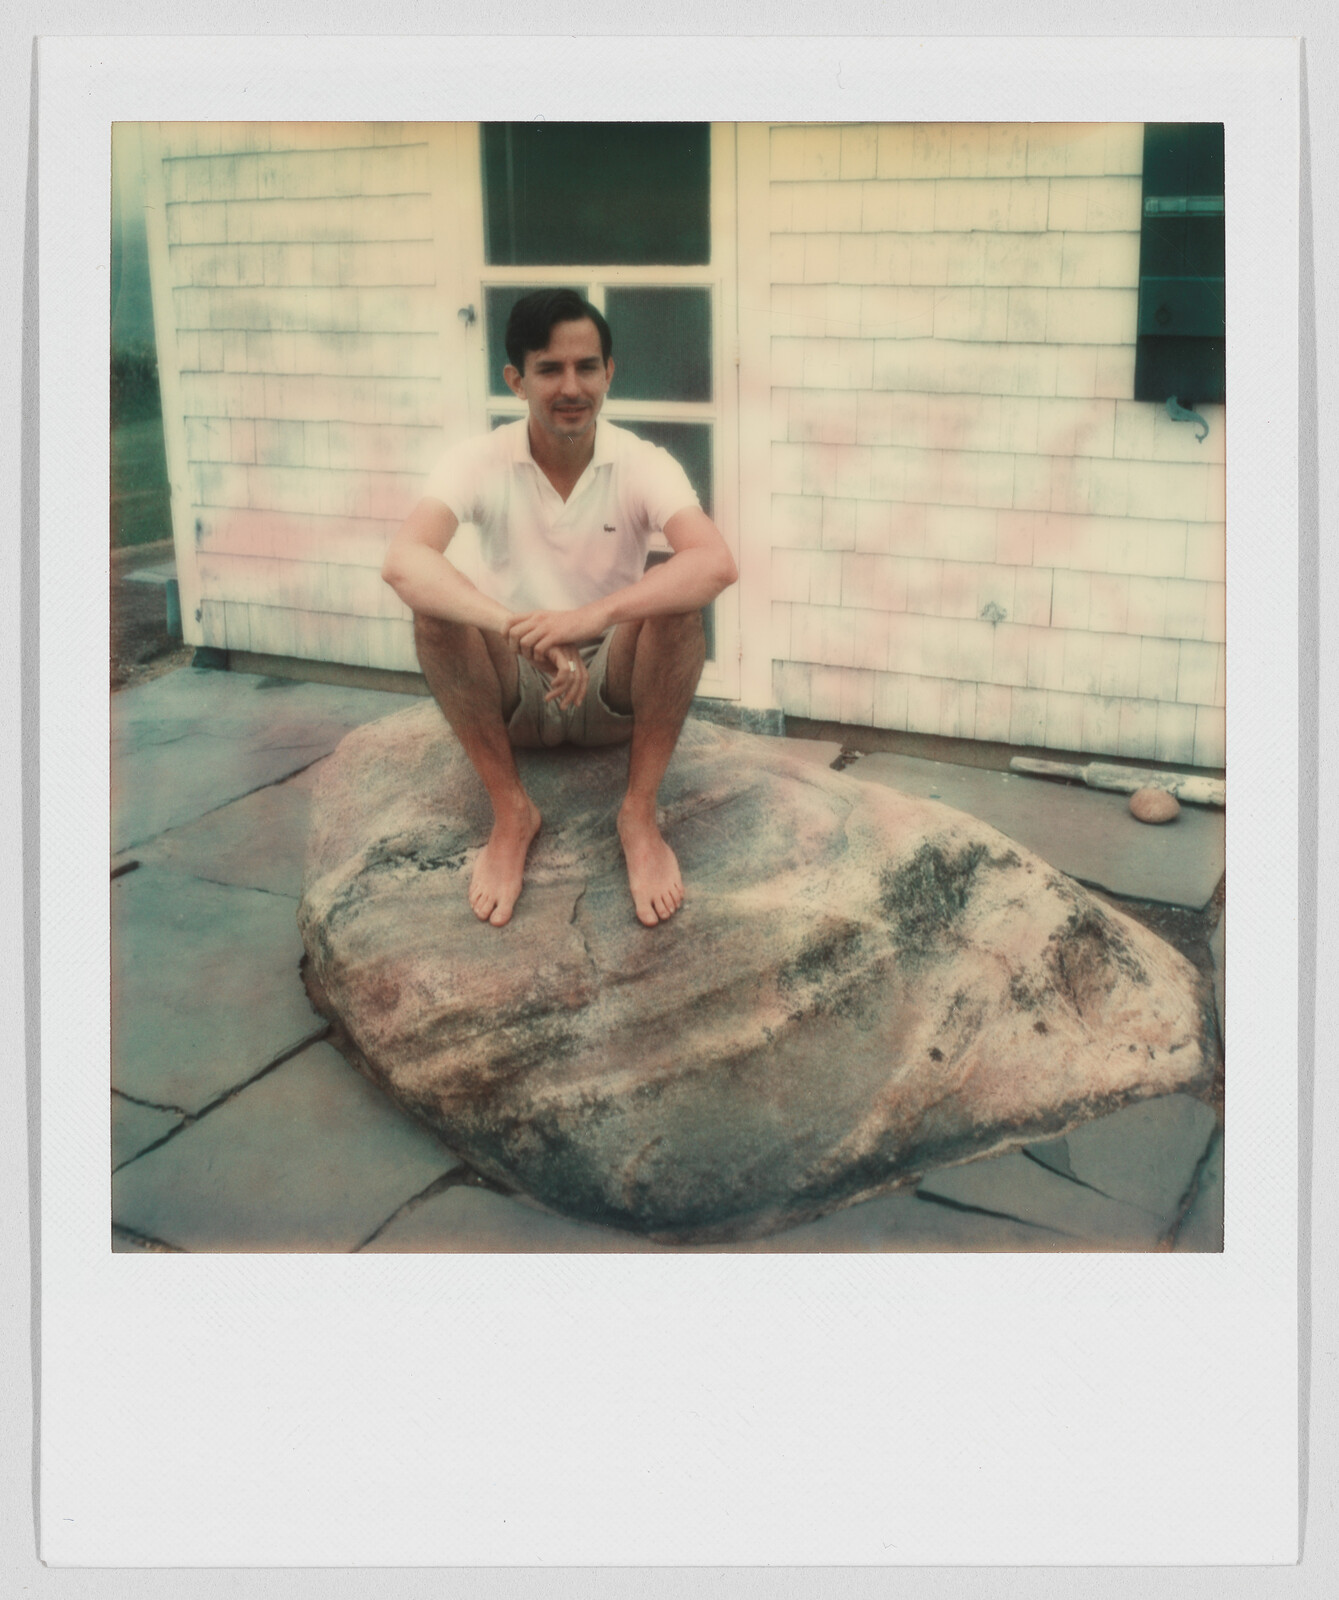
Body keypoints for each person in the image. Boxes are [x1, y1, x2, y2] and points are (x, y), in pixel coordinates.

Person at [381, 288, 738, 930]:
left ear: (610, 373)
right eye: (549, 369)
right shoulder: (478, 460)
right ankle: (512, 810)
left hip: (614, 690)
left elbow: (715, 563)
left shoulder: (641, 463)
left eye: (587, 367)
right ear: (516, 380)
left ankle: (638, 813)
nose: (571, 387)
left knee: (678, 605)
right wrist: (518, 629)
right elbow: (404, 560)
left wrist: (587, 620)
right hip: (513, 688)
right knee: (436, 609)